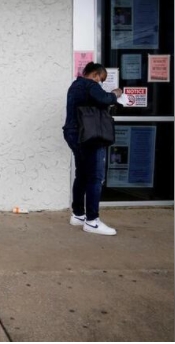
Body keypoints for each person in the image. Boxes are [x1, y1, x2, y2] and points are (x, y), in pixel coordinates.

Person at [62, 62, 123, 236]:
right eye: (101, 79)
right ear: (95, 74)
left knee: (82, 174)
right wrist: (115, 94)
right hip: (89, 136)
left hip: (74, 133)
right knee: (95, 177)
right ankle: (92, 221)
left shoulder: (75, 85)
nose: (100, 83)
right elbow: (104, 99)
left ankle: (78, 214)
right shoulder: (90, 85)